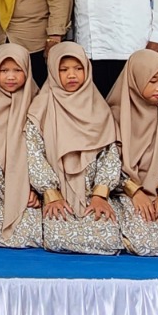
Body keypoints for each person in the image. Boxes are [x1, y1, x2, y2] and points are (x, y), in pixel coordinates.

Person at [29, 42, 123, 255]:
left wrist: (100, 195)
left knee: (108, 238)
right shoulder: (40, 109)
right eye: (64, 70)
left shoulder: (99, 109)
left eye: (78, 68)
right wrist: (50, 192)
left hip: (93, 194)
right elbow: (33, 154)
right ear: (53, 71)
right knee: (58, 237)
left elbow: (110, 156)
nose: (72, 75)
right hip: (56, 194)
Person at [105, 49, 158, 256]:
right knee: (141, 238)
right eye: (153, 81)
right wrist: (135, 192)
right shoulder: (112, 117)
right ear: (135, 78)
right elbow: (108, 163)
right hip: (124, 191)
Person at [0, 44, 47, 249]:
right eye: (4, 70)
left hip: (28, 189)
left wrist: (37, 190)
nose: (10, 77)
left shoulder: (38, 105)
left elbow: (45, 153)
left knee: (31, 231)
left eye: (17, 70)